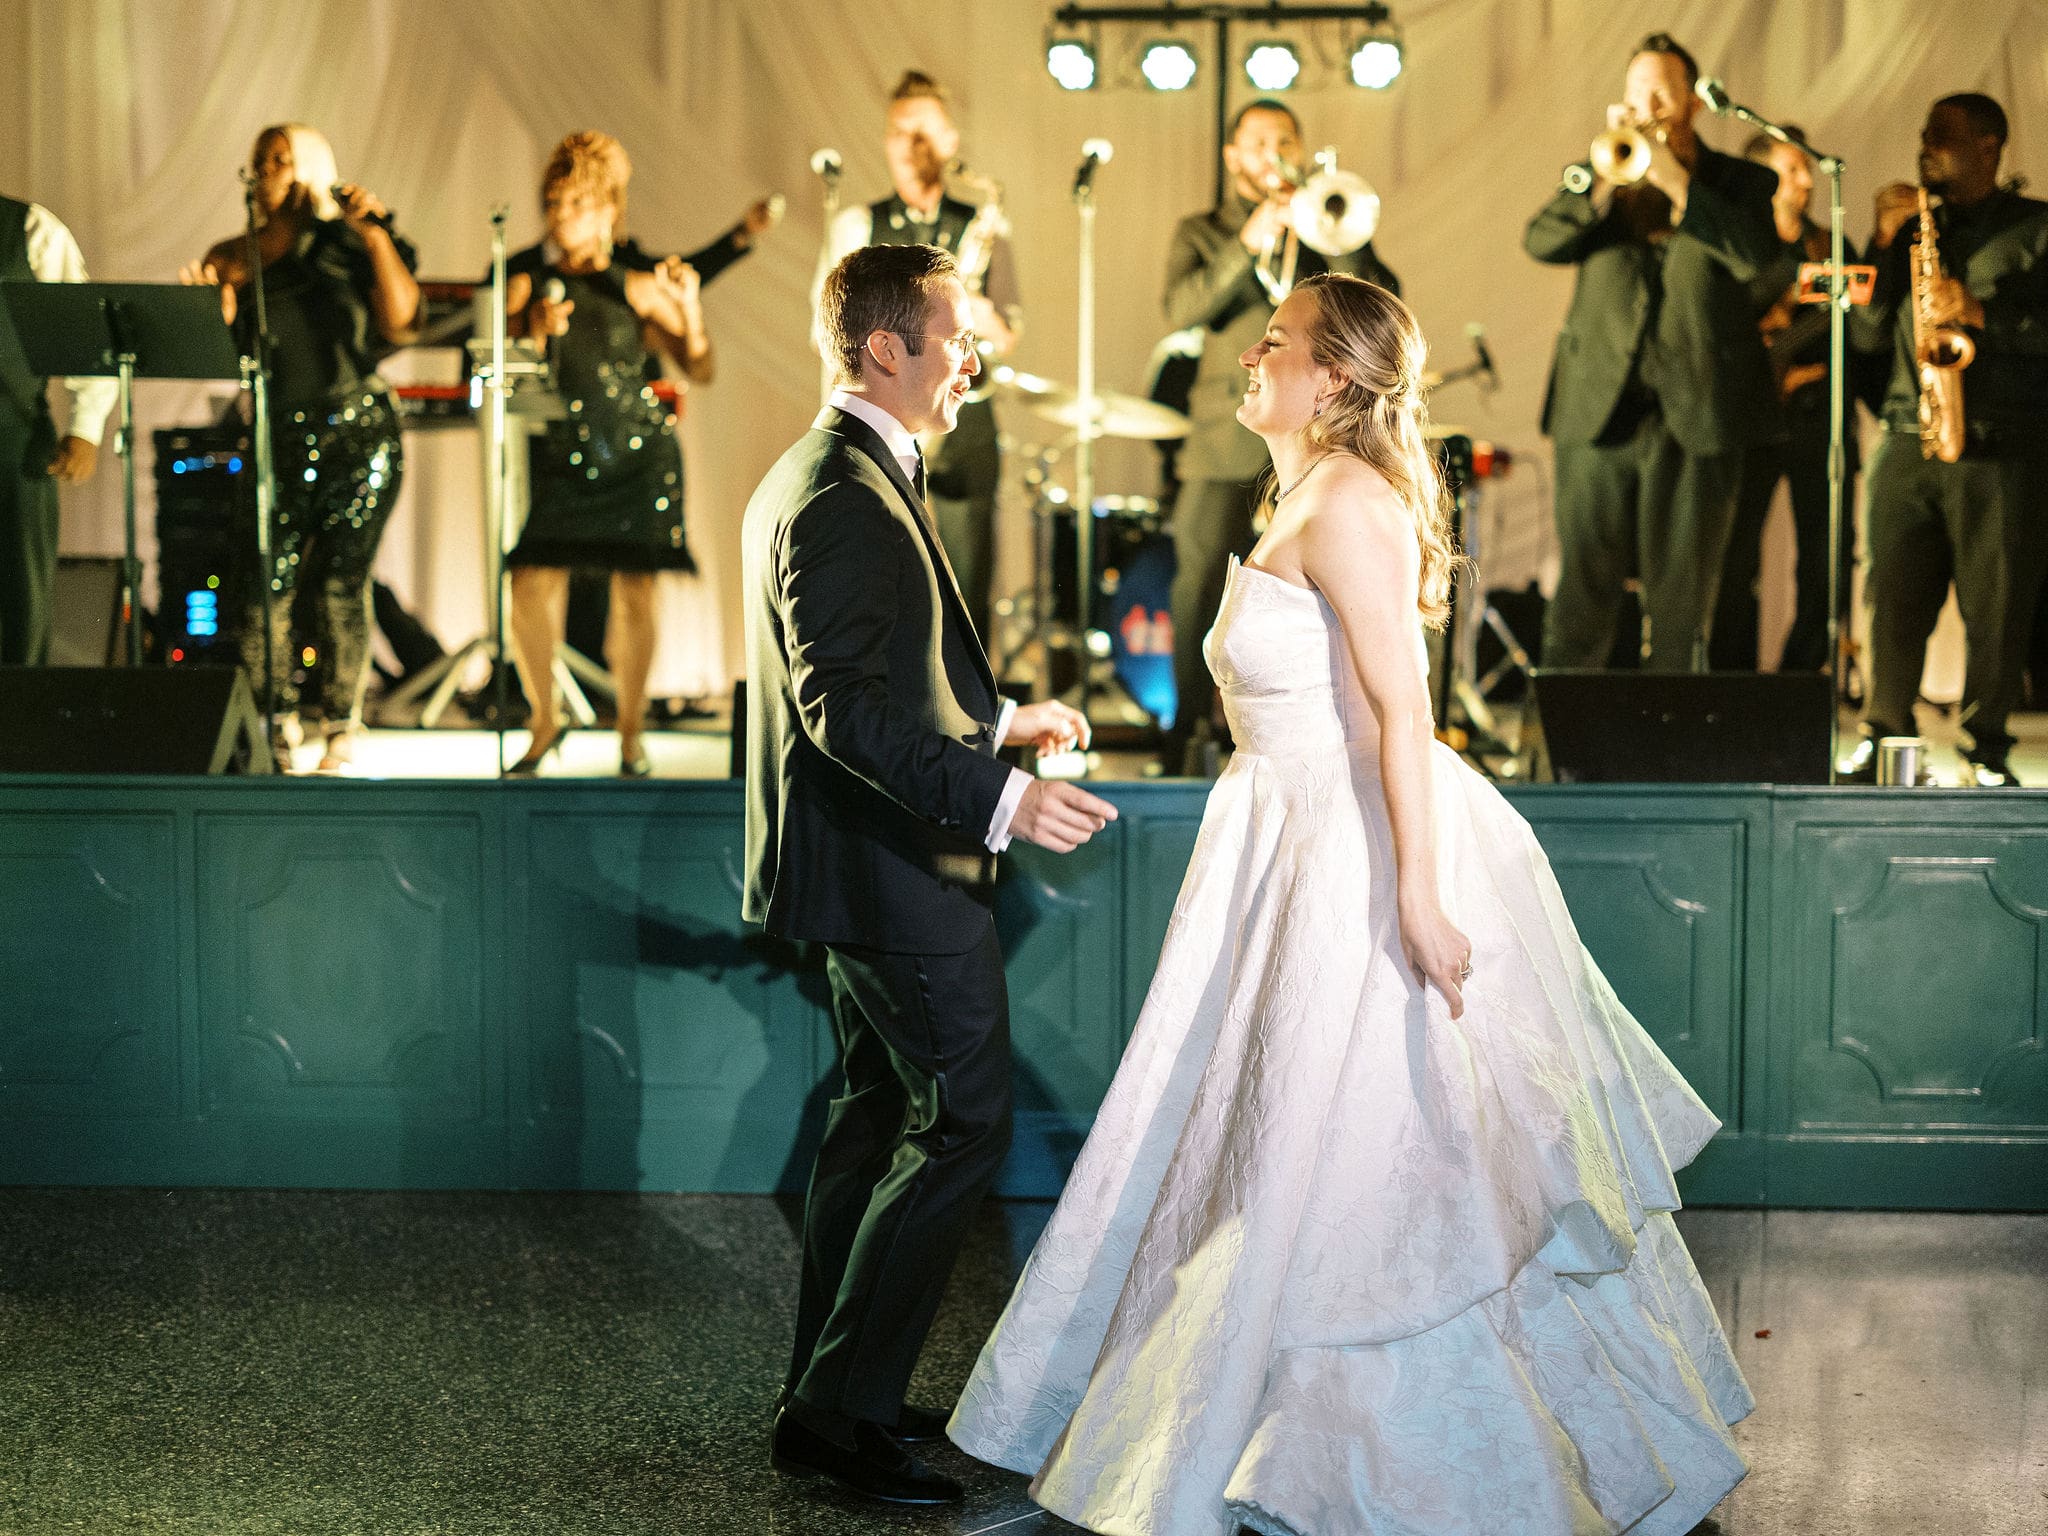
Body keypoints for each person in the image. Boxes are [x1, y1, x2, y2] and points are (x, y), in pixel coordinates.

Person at [949, 274, 1752, 1535]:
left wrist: (1418, 897)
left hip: (1353, 856)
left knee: (1375, 1149)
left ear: (1331, 378)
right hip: (1284, 840)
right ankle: (1263, 1424)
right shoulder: (1298, 495)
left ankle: (1399, 1456)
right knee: (1275, 1135)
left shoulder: (1349, 505)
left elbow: (1400, 713)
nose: (1251, 359)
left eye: (1276, 344)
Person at [743, 242, 1116, 1506]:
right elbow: (840, 711)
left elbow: (890, 678)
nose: (974, 356)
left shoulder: (836, 470)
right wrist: (1003, 797)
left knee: (871, 1121)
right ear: (884, 348)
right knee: (961, 1122)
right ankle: (836, 1418)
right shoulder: (843, 491)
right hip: (893, 869)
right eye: (956, 335)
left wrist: (996, 718)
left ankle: (828, 1394)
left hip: (867, 867)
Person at [1161, 97, 1399, 774]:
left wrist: (1335, 238)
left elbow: (1384, 298)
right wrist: (1248, 244)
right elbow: (1181, 310)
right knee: (1199, 586)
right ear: (1233, 156)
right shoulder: (1203, 231)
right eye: (1257, 143)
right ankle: (1181, 737)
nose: (1272, 154)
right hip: (1220, 438)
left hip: (1314, 442)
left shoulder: (1323, 216)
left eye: (1284, 141)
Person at [1526, 34, 1777, 672]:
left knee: (1682, 606)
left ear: (1692, 102)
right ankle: (1560, 761)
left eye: (1663, 91)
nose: (1650, 105)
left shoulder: (1744, 181)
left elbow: (1753, 255)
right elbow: (1542, 240)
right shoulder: (1599, 177)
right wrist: (1600, 185)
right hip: (1599, 414)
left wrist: (1673, 178)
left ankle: (1673, 756)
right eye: (1638, 91)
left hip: (1695, 416)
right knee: (1582, 596)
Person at [182, 124, 418, 771]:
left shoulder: (346, 244)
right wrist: (214, 317)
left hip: (359, 429)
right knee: (267, 582)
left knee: (344, 580)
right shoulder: (235, 255)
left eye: (283, 160)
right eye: (261, 161)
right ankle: (274, 721)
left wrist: (375, 233)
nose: (269, 172)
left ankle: (343, 724)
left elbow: (403, 321)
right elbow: (225, 359)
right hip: (277, 432)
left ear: (311, 169)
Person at [1842, 94, 2048, 787]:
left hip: (1998, 442)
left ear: (1990, 145)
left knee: (1996, 600)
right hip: (1908, 434)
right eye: (1924, 136)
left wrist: (1985, 312)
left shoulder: (2035, 229)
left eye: (1943, 138)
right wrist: (1879, 242)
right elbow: (1866, 334)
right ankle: (1883, 729)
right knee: (1891, 594)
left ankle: (1984, 747)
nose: (1925, 148)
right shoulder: (1907, 232)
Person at [500, 132, 716, 778]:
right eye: (554, 203)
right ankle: (545, 719)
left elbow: (699, 367)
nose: (561, 215)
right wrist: (533, 330)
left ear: (607, 210)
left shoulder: (638, 284)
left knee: (636, 595)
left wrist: (691, 309)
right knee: (528, 587)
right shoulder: (528, 284)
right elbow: (496, 356)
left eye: (575, 203)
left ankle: (630, 732)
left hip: (639, 456)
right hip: (567, 457)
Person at [815, 70, 1019, 644]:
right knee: (881, 589)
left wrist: (970, 308)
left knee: (967, 593)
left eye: (926, 134)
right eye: (901, 133)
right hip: (884, 427)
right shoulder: (857, 226)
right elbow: (830, 334)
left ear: (952, 143)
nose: (912, 147)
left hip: (966, 425)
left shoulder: (983, 225)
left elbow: (1007, 335)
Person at [1710, 128, 1861, 673]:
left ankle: (1802, 680)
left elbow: (1864, 333)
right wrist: (1788, 284)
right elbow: (1717, 324)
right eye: (1793, 168)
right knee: (1732, 556)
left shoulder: (1831, 245)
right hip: (1749, 421)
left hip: (1819, 421)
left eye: (1807, 169)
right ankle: (1730, 681)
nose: (1806, 180)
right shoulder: (1736, 243)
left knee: (1827, 559)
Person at [0, 194, 114, 665]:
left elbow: (86, 331)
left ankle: (19, 730)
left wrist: (85, 426)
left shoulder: (27, 228)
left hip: (12, 442)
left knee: (19, 608)